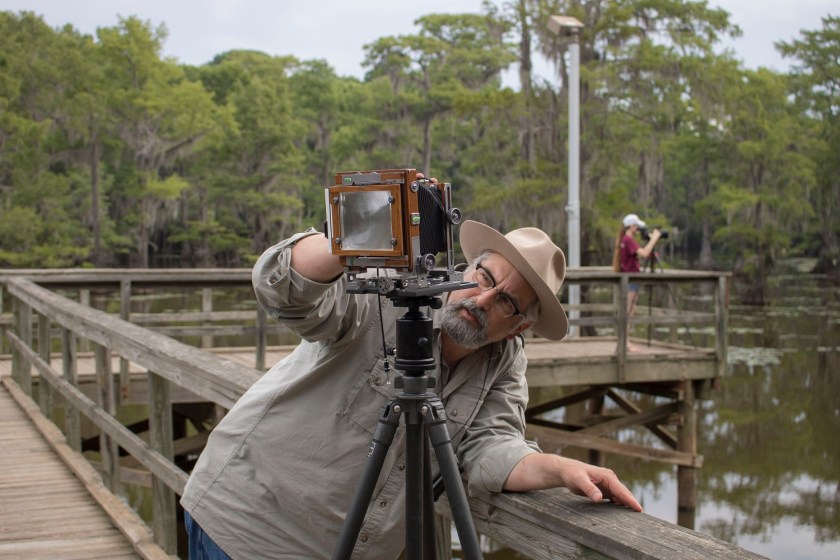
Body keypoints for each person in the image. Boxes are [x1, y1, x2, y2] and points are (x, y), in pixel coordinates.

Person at [181, 217, 644, 559]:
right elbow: (283, 290)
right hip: (246, 527)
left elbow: (489, 447)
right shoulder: (389, 295)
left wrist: (559, 469)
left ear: (518, 327)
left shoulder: (503, 361)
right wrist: (352, 237)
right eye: (484, 278)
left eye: (504, 300)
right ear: (468, 266)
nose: (481, 299)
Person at [613, 214, 662, 351]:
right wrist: (654, 239)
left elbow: (636, 256)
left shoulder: (625, 240)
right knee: (628, 312)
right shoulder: (628, 240)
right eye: (637, 226)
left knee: (628, 311)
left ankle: (624, 342)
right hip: (630, 281)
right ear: (632, 226)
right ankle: (625, 343)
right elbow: (644, 253)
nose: (638, 229)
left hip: (628, 280)